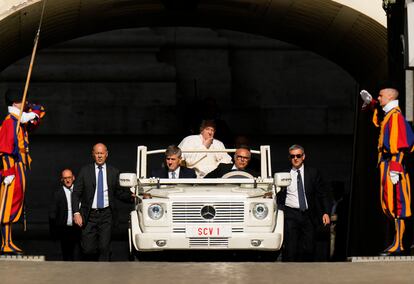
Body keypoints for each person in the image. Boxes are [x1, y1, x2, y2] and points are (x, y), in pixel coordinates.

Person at [360, 86, 413, 256]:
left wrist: (396, 168)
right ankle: (397, 242)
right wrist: (373, 104)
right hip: (387, 166)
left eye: (381, 96)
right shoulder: (389, 115)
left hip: (393, 166)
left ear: (390, 97)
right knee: (389, 206)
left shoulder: (396, 116)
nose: (378, 97)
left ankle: (399, 244)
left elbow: (400, 145)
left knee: (398, 206)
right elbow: (379, 124)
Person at [0, 89, 45, 255]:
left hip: (20, 167)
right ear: (14, 103)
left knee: (14, 204)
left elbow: (40, 111)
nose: (25, 103)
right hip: (12, 169)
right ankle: (5, 243)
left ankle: (8, 242)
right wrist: (8, 173)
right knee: (7, 205)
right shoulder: (9, 122)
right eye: (22, 101)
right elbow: (4, 150)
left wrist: (30, 107)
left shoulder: (20, 121)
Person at [71, 143, 134, 261]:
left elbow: (118, 192)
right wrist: (76, 213)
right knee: (88, 249)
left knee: (104, 247)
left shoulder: (114, 172)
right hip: (89, 215)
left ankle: (104, 273)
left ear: (106, 154)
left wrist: (133, 197)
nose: (99, 156)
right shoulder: (85, 171)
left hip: (106, 215)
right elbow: (76, 193)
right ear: (93, 155)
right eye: (97, 153)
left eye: (102, 153)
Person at [279, 144, 331, 262]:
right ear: (289, 158)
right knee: (291, 248)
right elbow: (278, 195)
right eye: (293, 156)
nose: (295, 158)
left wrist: (326, 212)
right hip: (291, 214)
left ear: (303, 157)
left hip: (309, 215)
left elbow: (322, 194)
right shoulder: (284, 174)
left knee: (309, 248)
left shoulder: (312, 173)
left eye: (298, 155)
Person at [49, 169, 81, 261]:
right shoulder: (57, 194)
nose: (68, 180)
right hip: (64, 229)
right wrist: (54, 232)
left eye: (69, 178)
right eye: (65, 178)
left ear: (73, 178)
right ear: (62, 180)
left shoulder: (79, 191)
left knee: (79, 255)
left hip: (79, 228)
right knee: (67, 256)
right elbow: (52, 213)